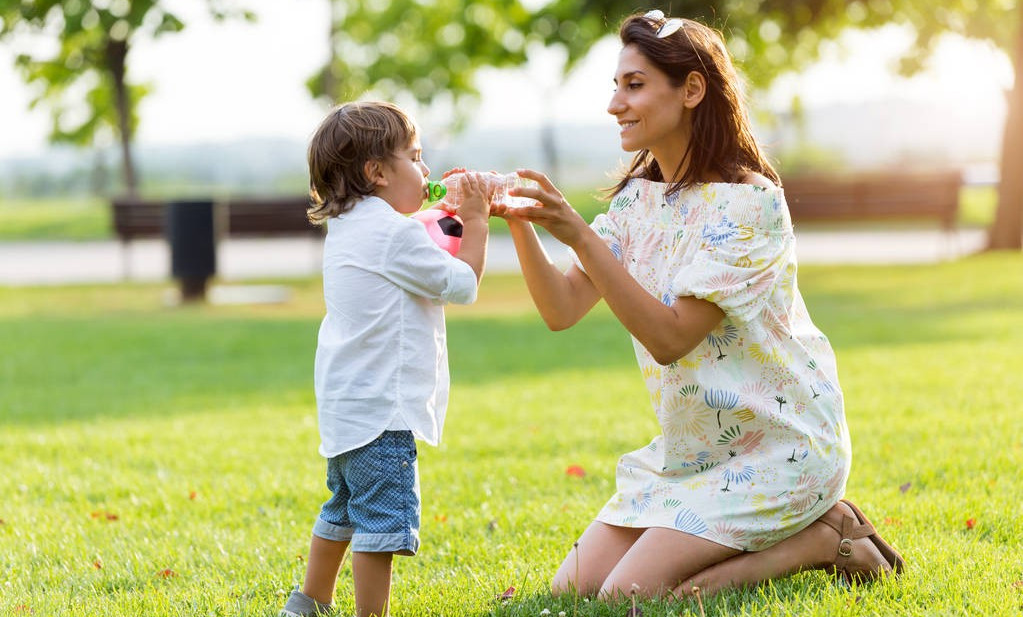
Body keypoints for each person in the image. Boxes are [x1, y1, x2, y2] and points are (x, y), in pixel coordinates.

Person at [490, 10, 905, 601]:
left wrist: (578, 233)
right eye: (615, 86)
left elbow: (671, 337)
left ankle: (821, 539)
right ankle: (803, 536)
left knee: (624, 598)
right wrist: (521, 221)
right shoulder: (638, 201)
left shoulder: (750, 205)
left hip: (778, 449)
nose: (615, 104)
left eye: (633, 85)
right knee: (569, 593)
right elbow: (561, 308)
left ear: (691, 89)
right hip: (691, 457)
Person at [279, 101, 490, 617]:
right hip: (382, 412)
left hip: (347, 406)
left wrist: (441, 213)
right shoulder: (393, 235)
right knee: (380, 527)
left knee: (343, 509)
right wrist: (479, 222)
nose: (425, 171)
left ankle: (308, 602)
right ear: (376, 172)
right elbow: (461, 285)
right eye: (416, 158)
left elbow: (409, 238)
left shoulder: (351, 225)